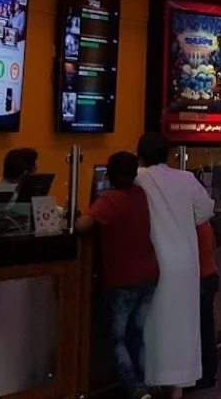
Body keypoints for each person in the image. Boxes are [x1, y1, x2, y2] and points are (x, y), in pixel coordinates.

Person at [135, 133, 215, 397]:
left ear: (141, 156)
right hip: (186, 265)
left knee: (153, 326)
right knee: (182, 327)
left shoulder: (139, 178)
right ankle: (177, 390)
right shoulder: (186, 178)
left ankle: (151, 385)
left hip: (154, 263)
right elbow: (204, 210)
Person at [75, 152, 158, 399]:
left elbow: (81, 226)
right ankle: (145, 382)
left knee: (117, 337)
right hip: (149, 274)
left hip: (122, 279)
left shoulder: (109, 201)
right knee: (138, 332)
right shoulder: (141, 195)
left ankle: (135, 389)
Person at [192, 220, 218, 393]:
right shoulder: (204, 221)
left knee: (201, 328)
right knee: (206, 327)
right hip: (209, 275)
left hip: (200, 278)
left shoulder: (190, 223)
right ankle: (208, 374)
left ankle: (203, 374)